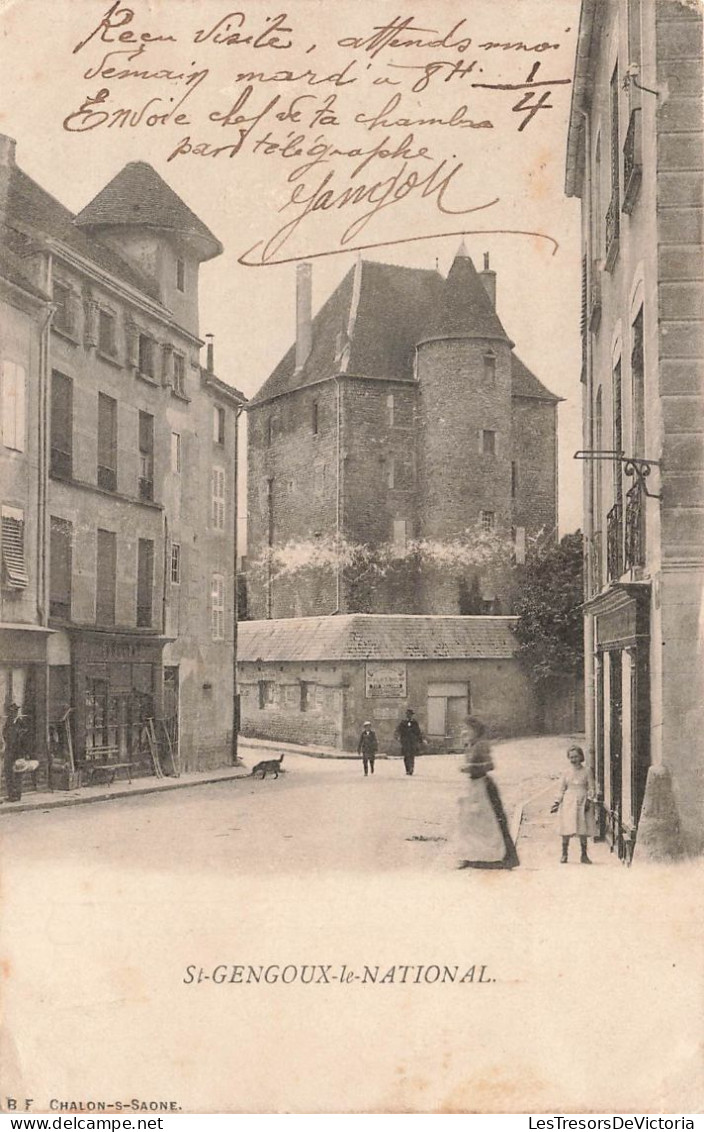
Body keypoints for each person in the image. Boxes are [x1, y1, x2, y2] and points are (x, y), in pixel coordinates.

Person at [456, 716, 519, 870]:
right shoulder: (470, 745)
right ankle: (472, 856)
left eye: (467, 729)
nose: (464, 732)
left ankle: (499, 857)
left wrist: (471, 767)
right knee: (470, 822)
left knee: (490, 823)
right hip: (473, 786)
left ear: (475, 730)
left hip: (484, 786)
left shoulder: (482, 745)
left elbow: (490, 765)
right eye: (463, 729)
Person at [550, 745, 596, 864]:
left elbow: (591, 788)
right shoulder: (566, 772)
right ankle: (564, 854)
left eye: (576, 756)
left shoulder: (587, 771)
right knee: (566, 827)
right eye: (571, 757)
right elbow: (561, 789)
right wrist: (556, 802)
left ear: (581, 756)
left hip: (583, 800)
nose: (573, 759)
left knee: (583, 828)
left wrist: (589, 800)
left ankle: (584, 855)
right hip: (568, 802)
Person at [2, 703, 24, 803]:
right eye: (11, 712)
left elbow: (24, 739)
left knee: (18, 773)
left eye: (14, 711)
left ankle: (17, 795)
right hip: (9, 751)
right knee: (8, 773)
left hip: (18, 753)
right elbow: (4, 733)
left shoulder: (21, 723)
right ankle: (11, 795)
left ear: (17, 712)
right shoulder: (8, 722)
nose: (13, 713)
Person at [394, 708, 424, 776]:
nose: (409, 716)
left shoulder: (414, 722)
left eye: (410, 715)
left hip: (412, 742)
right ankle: (407, 769)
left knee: (412, 756)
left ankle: (411, 769)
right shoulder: (403, 722)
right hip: (405, 742)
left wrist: (420, 740)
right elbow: (398, 730)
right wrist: (397, 736)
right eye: (408, 715)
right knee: (406, 756)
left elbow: (418, 732)